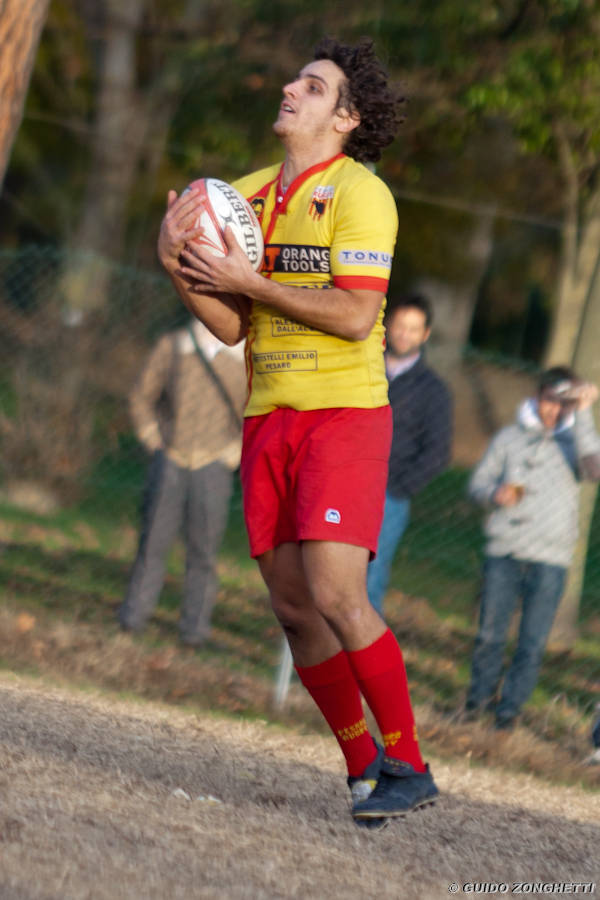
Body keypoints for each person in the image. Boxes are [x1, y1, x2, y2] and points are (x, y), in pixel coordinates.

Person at [157, 36, 439, 826]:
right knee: (291, 605)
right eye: (295, 79)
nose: (290, 88)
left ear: (346, 118)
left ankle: (409, 764)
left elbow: (355, 315)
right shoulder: (242, 195)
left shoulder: (362, 193)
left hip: (344, 414)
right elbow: (233, 325)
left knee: (337, 593)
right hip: (267, 417)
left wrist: (253, 280)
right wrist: (178, 264)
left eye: (313, 86)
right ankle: (362, 769)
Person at [465, 366, 600, 730]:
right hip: (505, 550)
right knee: (490, 634)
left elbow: (594, 470)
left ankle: (508, 714)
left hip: (550, 557)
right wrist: (494, 493)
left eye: (563, 403)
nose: (554, 409)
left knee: (533, 641)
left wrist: (584, 413)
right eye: (549, 400)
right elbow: (478, 483)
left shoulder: (578, 443)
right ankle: (476, 705)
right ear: (537, 398)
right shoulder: (509, 438)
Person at [118, 318, 246, 647]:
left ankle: (194, 631)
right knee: (152, 542)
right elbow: (141, 395)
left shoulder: (247, 355)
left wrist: (235, 452)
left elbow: (257, 410)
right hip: (171, 459)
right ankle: (133, 618)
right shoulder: (174, 345)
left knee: (204, 552)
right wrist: (152, 437)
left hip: (213, 465)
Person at [367, 294, 452, 614]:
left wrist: (398, 487)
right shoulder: (362, 367)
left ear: (425, 334)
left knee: (371, 578)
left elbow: (437, 452)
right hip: (344, 484)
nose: (404, 334)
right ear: (388, 324)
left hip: (389, 496)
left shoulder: (434, 391)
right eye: (400, 325)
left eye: (413, 329)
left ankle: (362, 647)